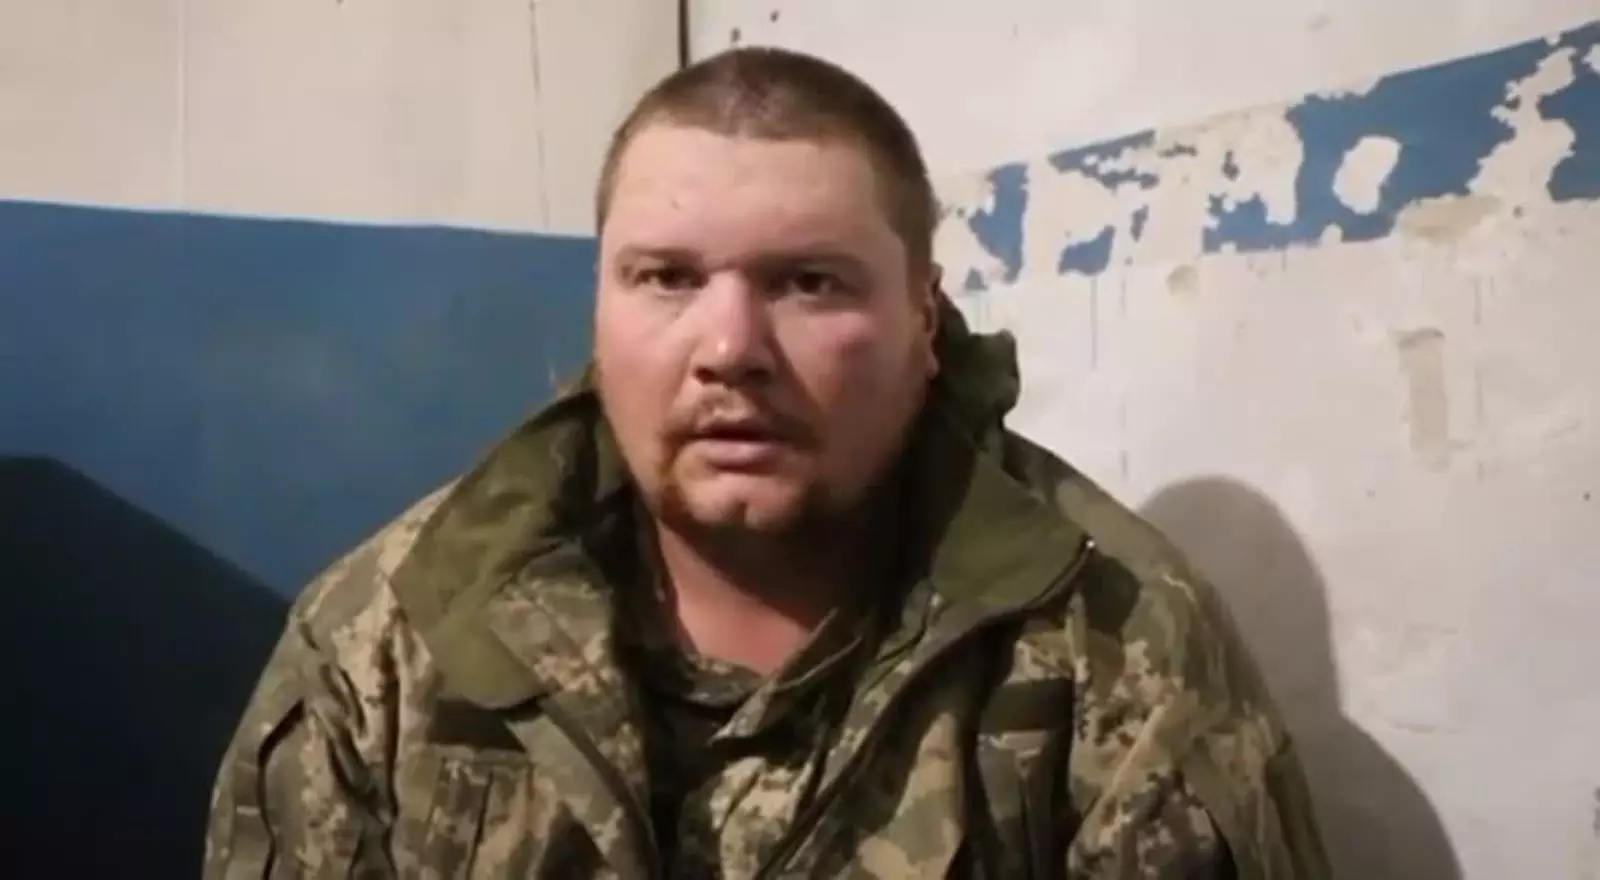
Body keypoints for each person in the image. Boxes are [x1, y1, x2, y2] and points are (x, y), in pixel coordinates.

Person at [204, 45, 1329, 878]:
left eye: (808, 282)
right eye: (667, 278)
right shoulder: (390, 637)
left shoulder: (1114, 643)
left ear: (924, 319)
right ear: (600, 309)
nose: (731, 349)